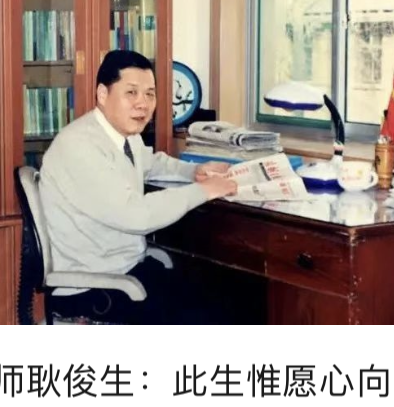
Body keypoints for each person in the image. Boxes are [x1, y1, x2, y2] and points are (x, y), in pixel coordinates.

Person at [39, 50, 260, 324]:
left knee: (235, 298)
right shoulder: (79, 146)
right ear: (103, 94)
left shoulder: (121, 133)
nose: (142, 104)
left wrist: (193, 172)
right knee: (217, 316)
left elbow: (150, 163)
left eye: (150, 94)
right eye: (131, 93)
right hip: (93, 288)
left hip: (126, 270)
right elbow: (137, 216)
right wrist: (205, 191)